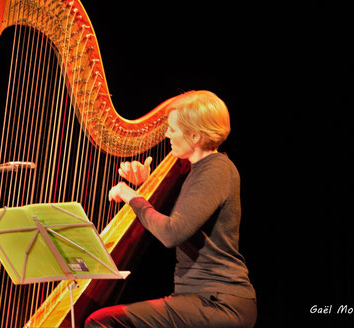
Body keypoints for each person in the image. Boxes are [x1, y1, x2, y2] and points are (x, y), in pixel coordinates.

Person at [85, 90, 257, 328]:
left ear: (195, 135)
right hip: (199, 298)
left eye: (173, 129)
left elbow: (171, 233)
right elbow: (183, 218)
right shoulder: (200, 170)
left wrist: (131, 196)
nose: (166, 134)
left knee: (101, 322)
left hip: (218, 301)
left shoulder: (215, 170)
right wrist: (145, 185)